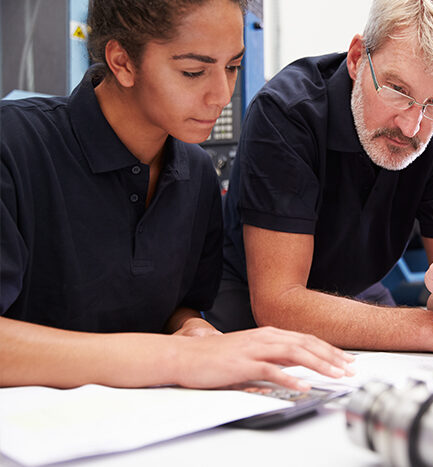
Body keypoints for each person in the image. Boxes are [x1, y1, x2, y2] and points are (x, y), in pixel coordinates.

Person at [0, 0, 353, 391]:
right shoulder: (14, 146)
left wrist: (193, 329)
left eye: (232, 67)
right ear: (122, 62)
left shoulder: (196, 172)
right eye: (193, 71)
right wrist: (178, 359)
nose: (221, 94)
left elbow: (176, 308)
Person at [210, 0, 433, 356]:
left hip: (358, 293)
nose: (412, 126)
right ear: (358, 57)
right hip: (252, 300)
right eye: (397, 90)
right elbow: (279, 303)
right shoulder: (287, 115)